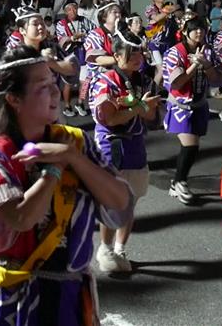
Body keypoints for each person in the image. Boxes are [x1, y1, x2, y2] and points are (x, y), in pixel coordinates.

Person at [0, 46, 133, 325]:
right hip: (8, 299)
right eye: (43, 86)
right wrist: (54, 169)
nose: (56, 91)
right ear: (14, 99)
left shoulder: (75, 141)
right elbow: (21, 218)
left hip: (67, 296)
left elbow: (120, 201)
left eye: (54, 81)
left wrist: (72, 157)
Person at [90, 24, 160, 273]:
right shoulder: (105, 80)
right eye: (132, 54)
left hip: (136, 143)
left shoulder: (144, 80)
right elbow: (109, 118)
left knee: (131, 200)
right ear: (117, 56)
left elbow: (151, 115)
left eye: (140, 53)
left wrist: (137, 106)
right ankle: (105, 248)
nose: (138, 58)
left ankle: (120, 248)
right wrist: (138, 107)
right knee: (112, 199)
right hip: (111, 145)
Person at [164, 16, 222, 204]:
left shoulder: (209, 51)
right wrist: (194, 66)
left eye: (202, 28)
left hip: (199, 104)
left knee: (192, 147)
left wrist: (207, 65)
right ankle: (180, 182)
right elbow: (176, 83)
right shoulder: (174, 53)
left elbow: (218, 80)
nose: (199, 32)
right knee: (190, 145)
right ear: (185, 32)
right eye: (195, 29)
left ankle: (176, 181)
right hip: (180, 105)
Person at [55, 1, 93, 118]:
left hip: (83, 53)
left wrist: (86, 36)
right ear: (66, 12)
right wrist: (72, 38)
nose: (73, 11)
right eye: (70, 9)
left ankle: (80, 103)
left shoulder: (84, 20)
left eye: (75, 8)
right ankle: (67, 106)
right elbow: (61, 39)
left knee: (85, 82)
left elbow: (93, 31)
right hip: (70, 55)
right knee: (68, 83)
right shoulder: (61, 23)